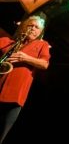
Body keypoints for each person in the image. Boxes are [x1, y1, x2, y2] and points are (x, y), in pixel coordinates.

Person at [0, 15, 49, 144]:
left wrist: (25, 58)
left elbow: (44, 64)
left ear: (40, 32)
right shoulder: (7, 41)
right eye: (30, 25)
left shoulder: (42, 44)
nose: (33, 29)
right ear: (23, 27)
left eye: (36, 27)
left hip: (15, 95)